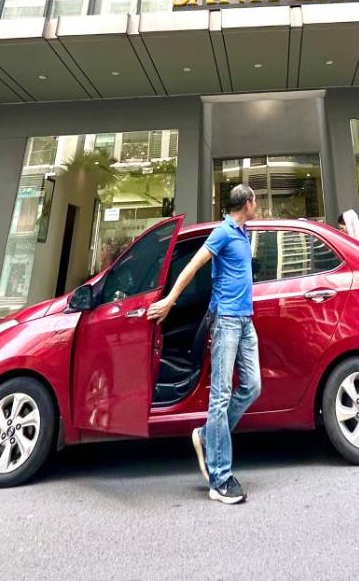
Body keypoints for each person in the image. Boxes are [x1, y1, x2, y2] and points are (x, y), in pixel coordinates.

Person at [148, 183, 261, 505]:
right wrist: (170, 300)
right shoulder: (223, 232)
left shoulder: (242, 232)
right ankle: (220, 479)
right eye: (255, 201)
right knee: (221, 395)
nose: (257, 205)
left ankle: (208, 435)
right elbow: (193, 265)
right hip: (227, 321)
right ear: (248, 203)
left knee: (252, 386)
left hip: (245, 321)